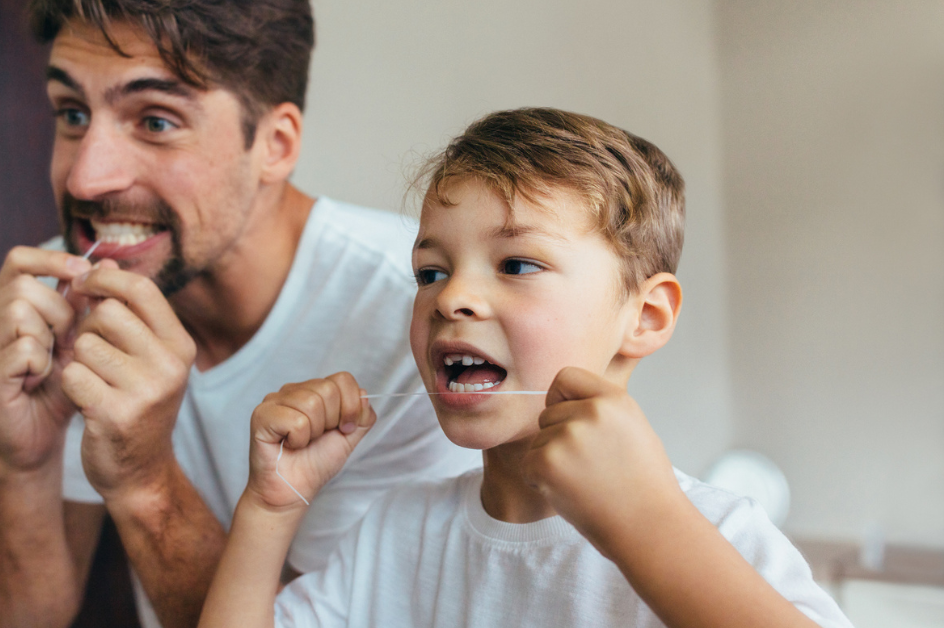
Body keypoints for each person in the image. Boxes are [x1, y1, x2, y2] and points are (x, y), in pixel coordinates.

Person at [198, 108, 854, 628]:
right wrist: (269, 508)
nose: (450, 297)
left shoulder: (717, 532)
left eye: (517, 265)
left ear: (646, 317)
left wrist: (644, 521)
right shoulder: (400, 533)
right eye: (430, 272)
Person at [0, 2, 479, 627]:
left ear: (275, 146)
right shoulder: (68, 299)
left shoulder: (425, 318)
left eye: (155, 121)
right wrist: (20, 461)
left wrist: (145, 484)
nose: (86, 180)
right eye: (72, 113)